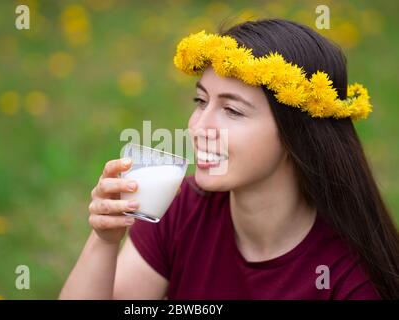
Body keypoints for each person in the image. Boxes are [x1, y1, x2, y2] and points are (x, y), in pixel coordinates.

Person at [59, 19, 399, 300]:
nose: (198, 127)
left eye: (232, 110)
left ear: (297, 134)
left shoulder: (349, 278)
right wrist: (104, 240)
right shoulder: (184, 207)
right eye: (200, 100)